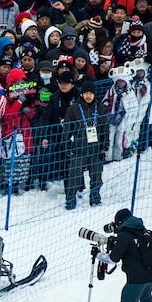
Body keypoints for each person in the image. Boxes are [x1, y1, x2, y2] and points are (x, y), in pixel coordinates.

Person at [62, 81, 108, 210]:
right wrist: (67, 146)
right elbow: (67, 129)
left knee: (96, 175)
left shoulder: (100, 108)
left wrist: (105, 146)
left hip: (95, 148)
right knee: (74, 176)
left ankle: (95, 198)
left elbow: (105, 128)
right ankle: (70, 201)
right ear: (81, 94)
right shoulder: (74, 108)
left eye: (91, 93)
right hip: (78, 148)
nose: (88, 96)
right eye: (86, 93)